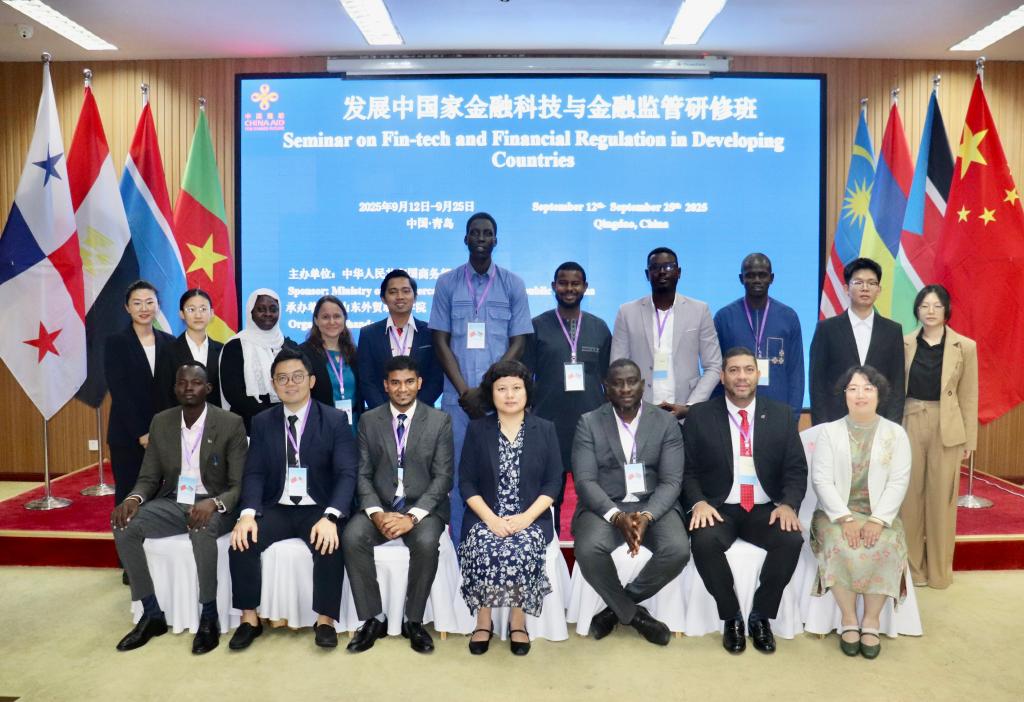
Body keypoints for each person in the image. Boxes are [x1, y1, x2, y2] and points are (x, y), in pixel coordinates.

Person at [111, 361, 247, 654]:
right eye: (182, 382)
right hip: (175, 501)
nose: (188, 388)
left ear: (208, 388)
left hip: (215, 504)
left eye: (196, 382)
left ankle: (208, 616)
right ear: (174, 388)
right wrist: (133, 498)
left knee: (200, 528)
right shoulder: (161, 422)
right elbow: (148, 478)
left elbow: (238, 485)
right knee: (123, 522)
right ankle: (151, 614)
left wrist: (214, 503)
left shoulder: (230, 423)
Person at [228, 347, 358, 651]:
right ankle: (249, 619)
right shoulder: (262, 421)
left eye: (298, 376)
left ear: (311, 381)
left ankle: (325, 620)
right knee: (242, 540)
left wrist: (331, 516)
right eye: (282, 378)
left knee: (329, 542)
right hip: (277, 505)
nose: (290, 383)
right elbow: (255, 472)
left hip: (319, 506)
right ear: (274, 384)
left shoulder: (335, 419)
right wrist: (247, 514)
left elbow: (346, 473)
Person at [682, 347, 807, 654]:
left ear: (758, 374)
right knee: (703, 541)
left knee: (790, 539)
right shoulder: (700, 415)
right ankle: (732, 617)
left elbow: (795, 469)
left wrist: (788, 504)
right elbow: (687, 470)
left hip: (765, 508)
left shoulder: (780, 414)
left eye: (748, 370)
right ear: (722, 377)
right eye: (734, 370)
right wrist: (698, 502)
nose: (741, 377)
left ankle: (760, 616)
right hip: (718, 507)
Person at [429, 212, 532, 543]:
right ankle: (463, 551)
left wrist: (489, 390)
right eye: (475, 233)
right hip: (457, 401)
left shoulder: (513, 284)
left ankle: (500, 544)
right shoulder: (446, 283)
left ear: (495, 240)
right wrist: (465, 392)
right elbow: (440, 341)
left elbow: (519, 341)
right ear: (466, 239)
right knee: (461, 476)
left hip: (501, 402)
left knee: (502, 474)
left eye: (487, 233)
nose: (481, 239)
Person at [571, 359, 689, 646]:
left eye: (631, 382)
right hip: (605, 505)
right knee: (588, 549)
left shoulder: (666, 422)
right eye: (617, 383)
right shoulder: (589, 422)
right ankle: (635, 616)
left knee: (677, 550)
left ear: (642, 385)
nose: (625, 388)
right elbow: (585, 481)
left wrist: (647, 516)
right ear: (606, 388)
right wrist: (615, 516)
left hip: (654, 504)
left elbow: (672, 481)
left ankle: (615, 610)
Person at [342, 355, 454, 654]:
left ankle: (413, 620)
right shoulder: (369, 420)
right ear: (385, 385)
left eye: (408, 382)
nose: (402, 389)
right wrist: (376, 513)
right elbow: (362, 474)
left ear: (419, 383)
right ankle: (373, 619)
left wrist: (412, 518)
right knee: (352, 536)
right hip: (380, 505)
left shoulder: (439, 421)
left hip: (423, 508)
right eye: (395, 383)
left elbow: (443, 478)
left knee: (427, 542)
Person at [457, 360, 562, 656]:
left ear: (527, 392)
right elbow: (466, 483)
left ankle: (518, 622)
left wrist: (526, 518)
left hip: (530, 517)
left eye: (517, 388)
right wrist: (491, 520)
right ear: (491, 394)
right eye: (501, 389)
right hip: (486, 515)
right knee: (483, 545)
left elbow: (553, 482)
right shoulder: (478, 430)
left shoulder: (545, 429)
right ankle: (484, 620)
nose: (510, 395)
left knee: (523, 548)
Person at [810, 365, 911, 659]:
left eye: (868, 388)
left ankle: (871, 620)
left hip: (880, 514)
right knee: (840, 544)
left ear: (879, 394)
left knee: (884, 545)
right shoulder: (830, 432)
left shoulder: (896, 434)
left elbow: (899, 481)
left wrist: (878, 521)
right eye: (853, 389)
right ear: (844, 395)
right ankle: (848, 618)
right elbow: (821, 480)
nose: (860, 395)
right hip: (836, 514)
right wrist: (845, 518)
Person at [523, 261, 611, 529]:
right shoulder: (537, 326)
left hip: (591, 423)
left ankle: (591, 542)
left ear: (585, 287)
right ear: (553, 286)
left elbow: (608, 379)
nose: (569, 288)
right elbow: (525, 376)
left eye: (575, 283)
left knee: (593, 492)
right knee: (550, 494)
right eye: (563, 283)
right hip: (549, 423)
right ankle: (549, 546)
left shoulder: (599, 327)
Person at [901, 284, 978, 589]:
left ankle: (939, 572)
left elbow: (969, 396)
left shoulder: (965, 347)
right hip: (910, 420)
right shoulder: (904, 343)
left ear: (947, 310)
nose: (930, 311)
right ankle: (912, 571)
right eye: (924, 306)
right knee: (909, 499)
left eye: (936, 305)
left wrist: (969, 441)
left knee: (941, 501)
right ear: (916, 310)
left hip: (947, 427)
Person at [611, 246, 722, 422]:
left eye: (669, 267)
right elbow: (617, 366)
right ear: (647, 274)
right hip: (640, 413)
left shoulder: (699, 310)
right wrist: (634, 406)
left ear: (679, 272)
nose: (662, 272)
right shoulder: (627, 312)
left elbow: (714, 365)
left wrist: (691, 407)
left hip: (685, 412)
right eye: (655, 267)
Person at [105, 280, 175, 508]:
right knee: (130, 495)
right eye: (137, 303)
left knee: (161, 497)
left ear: (158, 305)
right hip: (128, 435)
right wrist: (141, 433)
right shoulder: (116, 343)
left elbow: (171, 391)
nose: (144, 308)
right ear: (127, 307)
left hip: (164, 434)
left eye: (149, 302)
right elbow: (120, 392)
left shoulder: (170, 342)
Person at [809, 258, 905, 425]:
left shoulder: (892, 331)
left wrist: (892, 427)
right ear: (846, 288)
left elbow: (897, 384)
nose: (865, 288)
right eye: (858, 282)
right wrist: (822, 427)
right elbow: (817, 383)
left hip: (880, 422)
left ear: (879, 290)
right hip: (836, 422)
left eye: (871, 283)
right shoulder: (827, 329)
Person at [713, 253, 804, 422]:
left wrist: (793, 416)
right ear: (741, 279)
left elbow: (795, 372)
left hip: (778, 412)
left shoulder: (788, 317)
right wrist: (718, 414)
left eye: (762, 275)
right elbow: (717, 370)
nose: (756, 280)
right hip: (734, 412)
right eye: (750, 275)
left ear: (771, 278)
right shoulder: (724, 317)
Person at [356, 269, 443, 411]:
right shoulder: (368, 334)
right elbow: (366, 380)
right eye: (393, 292)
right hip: (381, 416)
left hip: (422, 415)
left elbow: (437, 378)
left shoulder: (430, 333)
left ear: (415, 296)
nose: (400, 296)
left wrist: (414, 411)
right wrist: (385, 413)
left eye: (406, 291)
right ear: (383, 298)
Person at [220, 288, 294, 433]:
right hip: (248, 425)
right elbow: (233, 393)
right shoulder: (235, 346)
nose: (268, 314)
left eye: (273, 309)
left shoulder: (289, 346)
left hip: (287, 423)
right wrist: (269, 417)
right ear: (251, 312)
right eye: (261, 309)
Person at [300, 295, 361, 432]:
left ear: (344, 319)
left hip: (354, 426)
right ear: (316, 320)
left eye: (337, 316)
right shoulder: (304, 354)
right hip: (320, 427)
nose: (332, 321)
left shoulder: (354, 353)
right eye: (325, 317)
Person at [156, 289, 222, 410]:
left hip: (215, 419)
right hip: (179, 418)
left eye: (203, 309)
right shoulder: (168, 351)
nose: (198, 315)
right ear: (181, 314)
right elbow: (163, 394)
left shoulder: (222, 350)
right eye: (191, 310)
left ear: (212, 313)